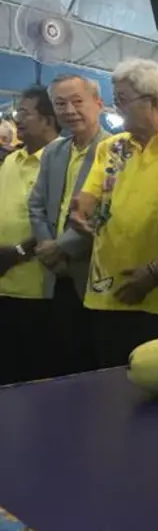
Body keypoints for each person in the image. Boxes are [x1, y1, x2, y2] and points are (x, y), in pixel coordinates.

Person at [70, 59, 158, 367]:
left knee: (157, 377)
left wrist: (157, 270)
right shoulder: (111, 148)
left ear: (153, 102)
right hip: (107, 290)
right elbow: (90, 195)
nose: (115, 108)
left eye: (122, 99)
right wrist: (80, 213)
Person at [28, 74, 108, 377]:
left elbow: (106, 211)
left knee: (94, 360)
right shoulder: (54, 151)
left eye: (77, 101)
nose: (70, 110)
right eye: (61, 104)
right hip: (55, 273)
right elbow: (36, 204)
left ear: (98, 103)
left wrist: (60, 248)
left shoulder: (114, 149)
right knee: (60, 359)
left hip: (93, 272)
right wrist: (47, 246)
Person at [0, 87, 60, 383]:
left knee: (33, 377)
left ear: (48, 119)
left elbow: (60, 221)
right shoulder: (12, 160)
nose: (17, 120)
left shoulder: (60, 160)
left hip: (38, 290)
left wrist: (19, 252)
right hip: (4, 287)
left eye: (25, 113)